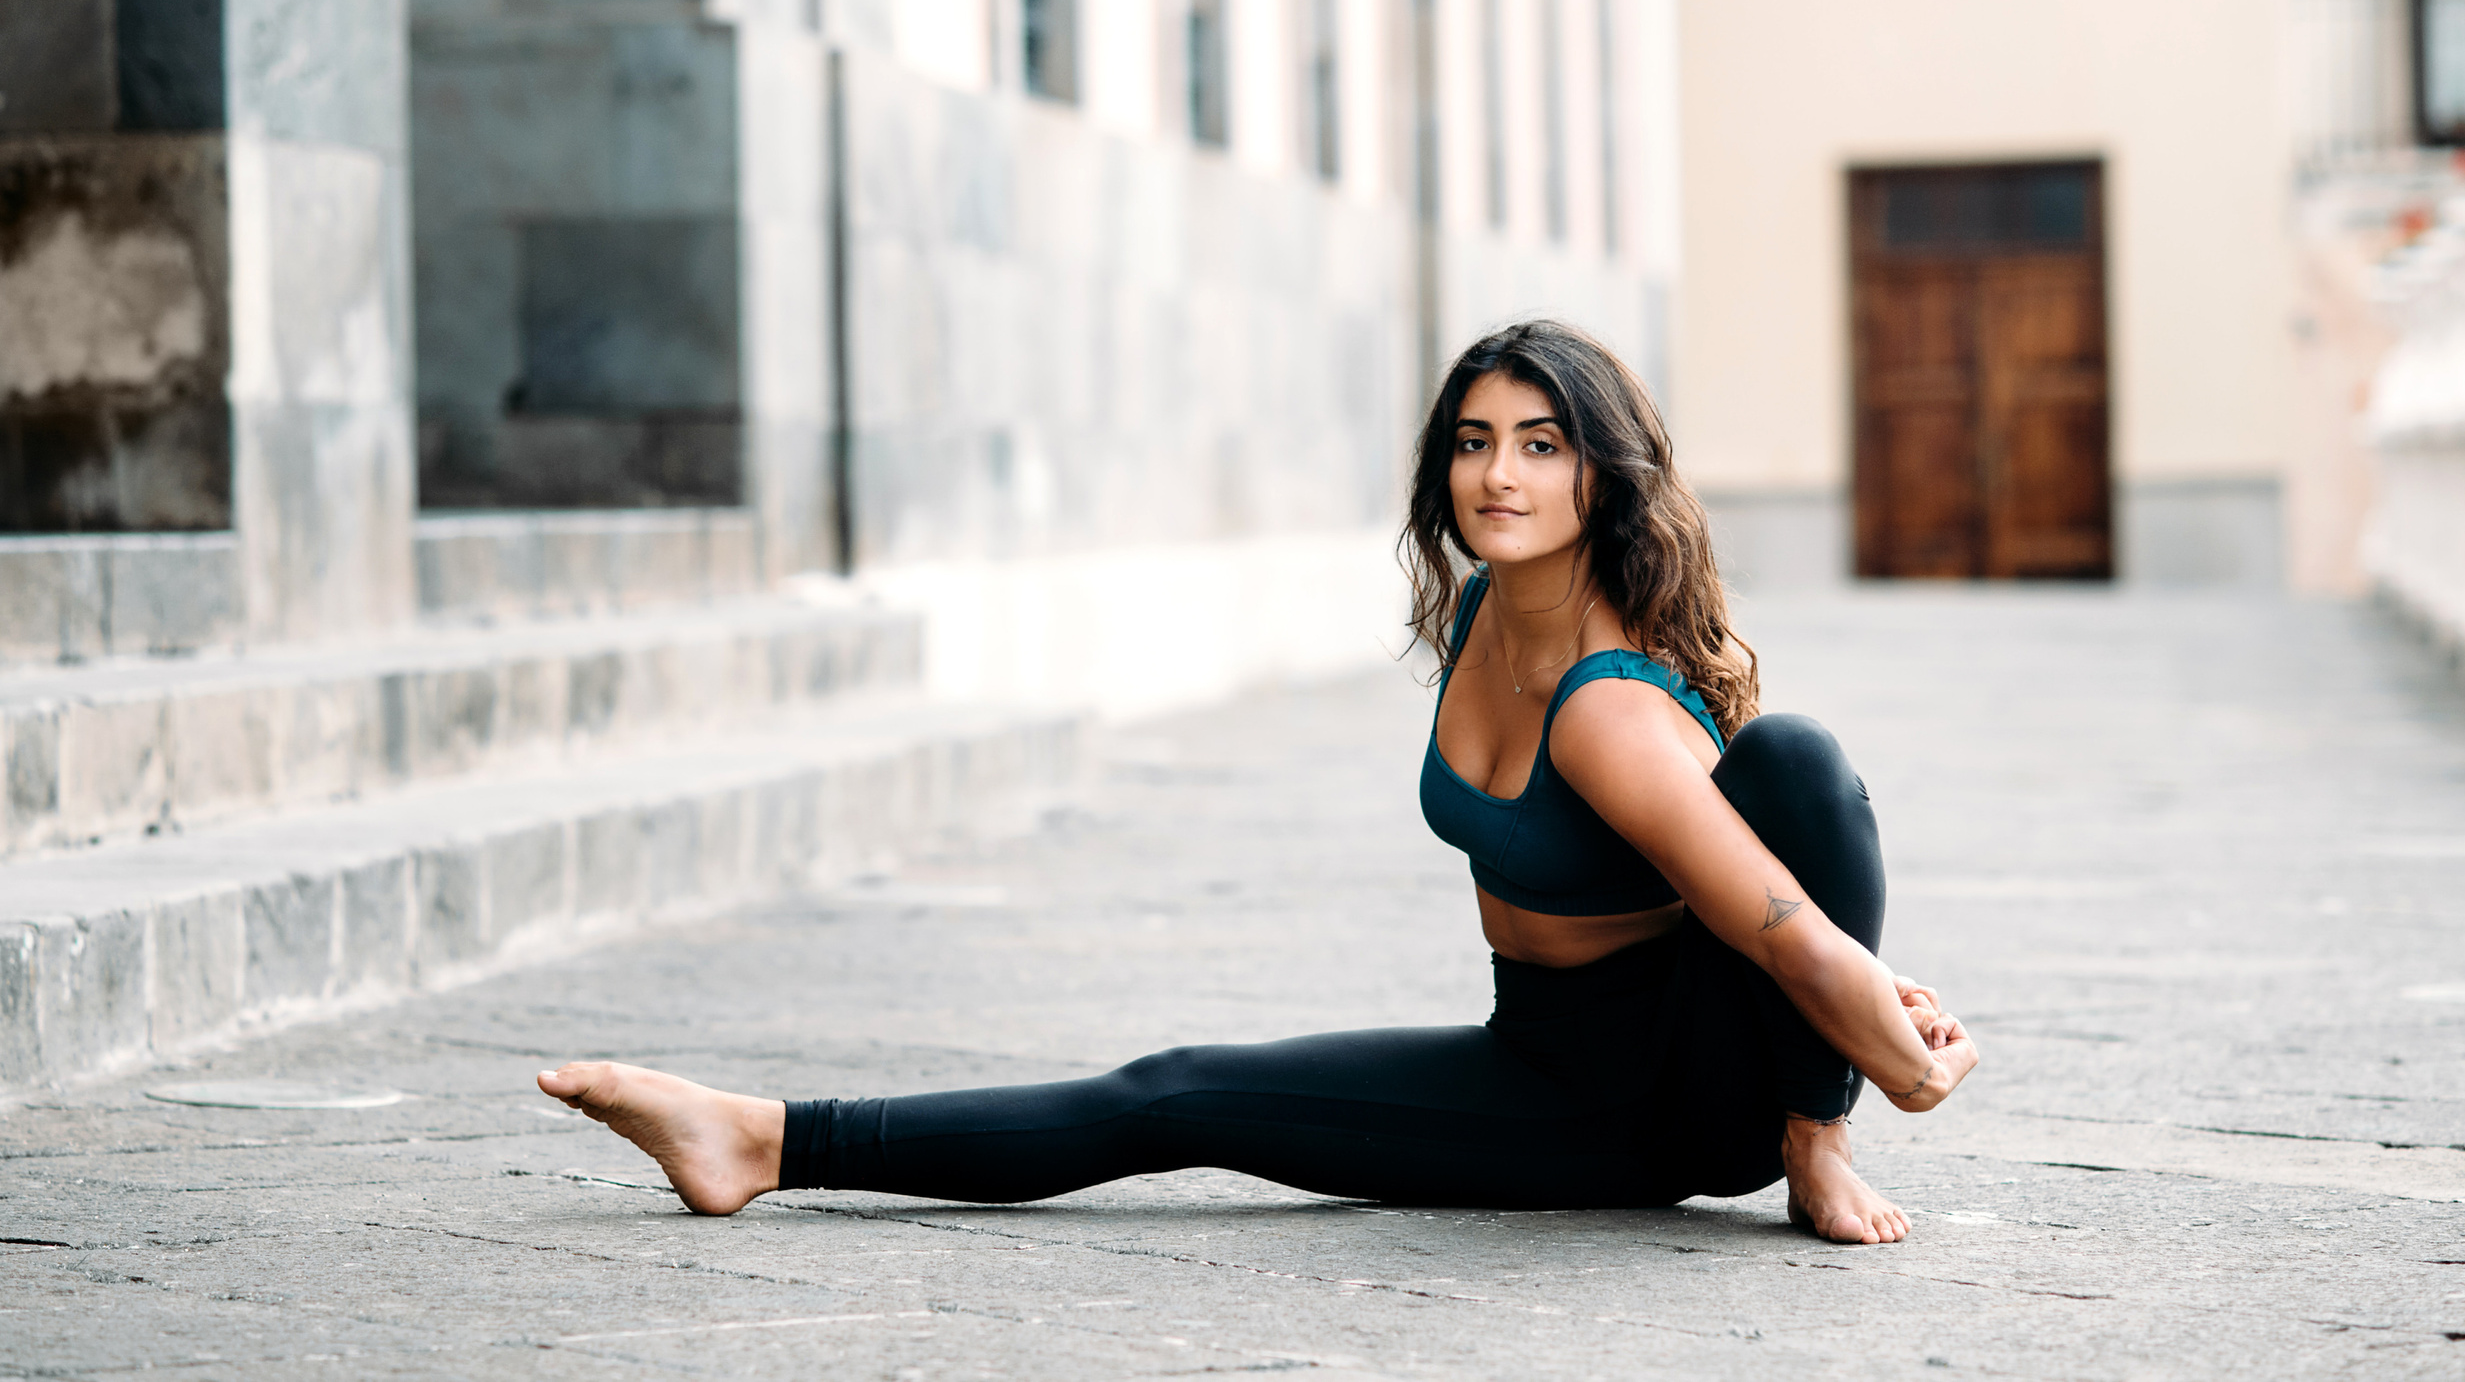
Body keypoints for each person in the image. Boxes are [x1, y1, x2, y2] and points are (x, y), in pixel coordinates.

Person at [536, 320, 1978, 1244]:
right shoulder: (1491, 606)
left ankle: (1814, 1144)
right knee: (1174, 1088)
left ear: (1600, 472)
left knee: (1795, 760)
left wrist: (1877, 1060)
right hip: (1536, 1047)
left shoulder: (1607, 710)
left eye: (1541, 447)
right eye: (1474, 441)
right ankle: (757, 1140)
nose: (1498, 475)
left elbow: (1788, 921)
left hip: (1649, 1103)